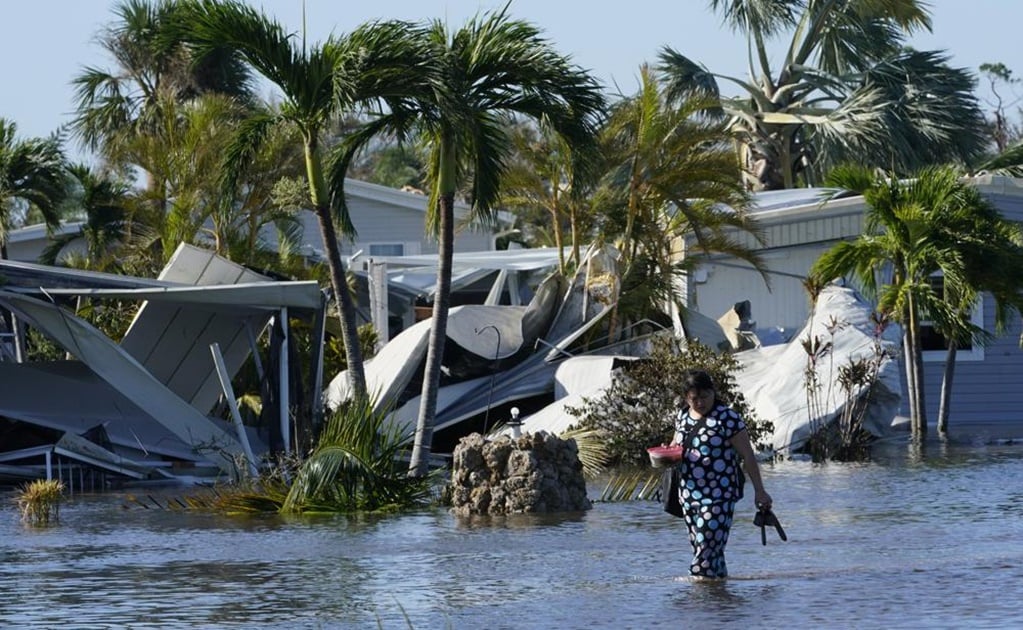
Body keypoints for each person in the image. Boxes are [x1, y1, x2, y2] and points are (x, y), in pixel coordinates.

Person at [670, 369, 772, 579]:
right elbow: (675, 446)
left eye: (705, 396)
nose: (700, 402)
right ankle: (720, 603)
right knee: (709, 552)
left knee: (705, 553)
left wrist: (760, 491)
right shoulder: (682, 417)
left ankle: (697, 602)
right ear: (686, 398)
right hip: (688, 496)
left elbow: (748, 456)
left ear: (713, 393)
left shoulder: (728, 418)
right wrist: (666, 453)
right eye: (694, 398)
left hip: (719, 495)